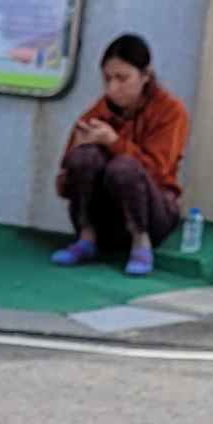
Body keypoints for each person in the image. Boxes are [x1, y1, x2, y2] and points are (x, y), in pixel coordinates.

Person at [50, 34, 190, 277]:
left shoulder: (171, 111)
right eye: (107, 79)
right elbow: (62, 186)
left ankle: (141, 243)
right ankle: (86, 238)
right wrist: (76, 156)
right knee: (85, 157)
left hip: (154, 212)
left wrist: (114, 143)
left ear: (145, 75)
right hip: (107, 217)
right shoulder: (98, 113)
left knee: (124, 167)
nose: (113, 88)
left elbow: (158, 171)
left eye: (122, 79)